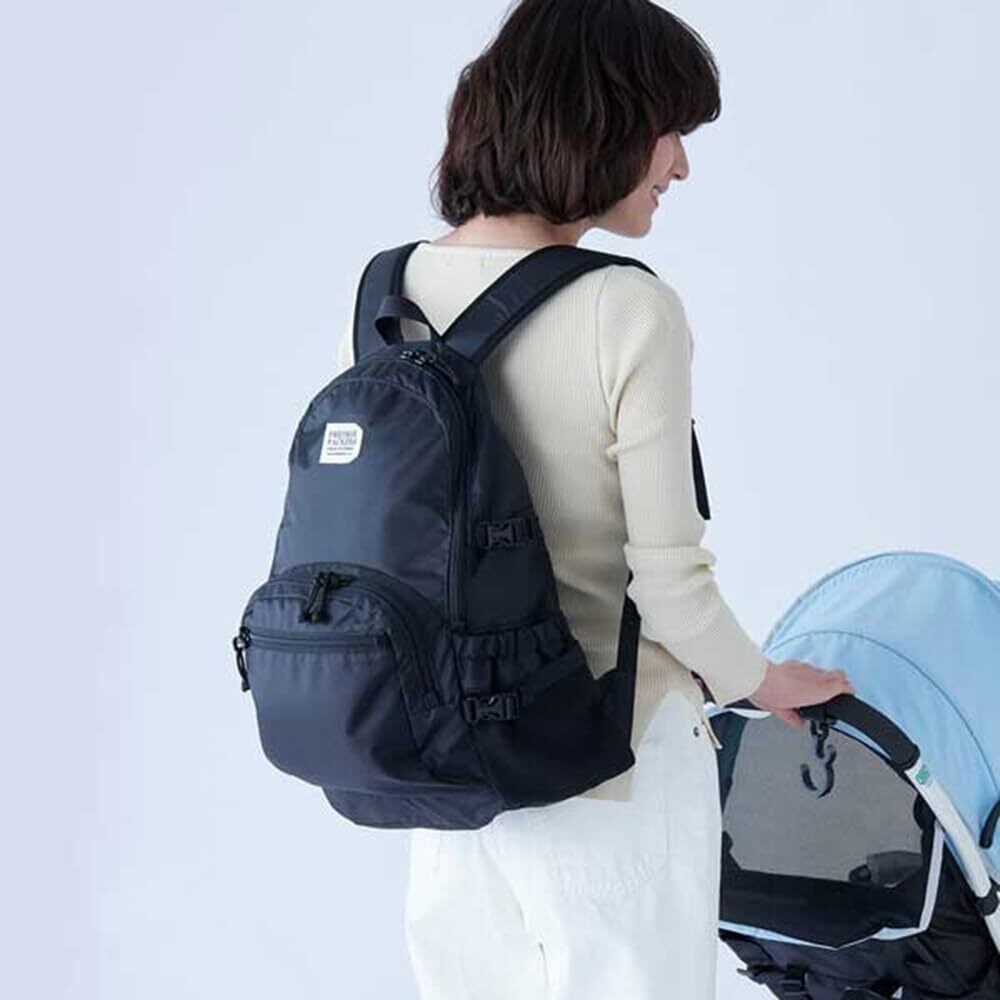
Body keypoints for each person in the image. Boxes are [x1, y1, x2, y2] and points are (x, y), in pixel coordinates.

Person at [333, 2, 854, 997]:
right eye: (670, 130)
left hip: (446, 772)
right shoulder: (626, 305)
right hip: (608, 761)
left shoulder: (390, 287)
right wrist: (761, 681)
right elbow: (669, 586)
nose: (680, 166)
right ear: (602, 119)